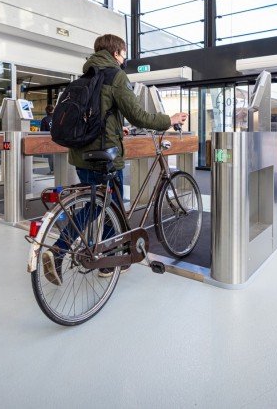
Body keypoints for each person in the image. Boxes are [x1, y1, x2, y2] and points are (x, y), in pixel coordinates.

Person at [43, 34, 188, 285]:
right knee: (110, 207)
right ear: (116, 53)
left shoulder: (86, 77)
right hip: (104, 156)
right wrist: (170, 119)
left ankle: (78, 250)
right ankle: (85, 256)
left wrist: (116, 127)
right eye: (124, 54)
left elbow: (96, 115)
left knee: (94, 204)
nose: (124, 59)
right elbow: (139, 115)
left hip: (80, 154)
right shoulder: (115, 76)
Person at [40, 104, 54, 173]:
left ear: (46, 111)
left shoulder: (44, 119)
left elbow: (42, 132)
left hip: (49, 139)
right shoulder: (57, 119)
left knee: (51, 155)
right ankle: (59, 169)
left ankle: (52, 170)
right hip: (58, 140)